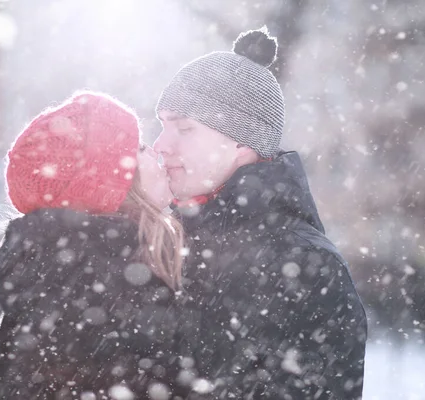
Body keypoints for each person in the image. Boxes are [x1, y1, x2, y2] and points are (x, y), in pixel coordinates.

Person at [153, 28, 368, 399]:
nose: (160, 145)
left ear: (241, 142)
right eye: (162, 126)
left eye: (184, 128)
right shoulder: (164, 238)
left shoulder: (304, 264)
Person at [0, 91, 193, 399]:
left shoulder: (58, 277)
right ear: (114, 186)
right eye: (139, 147)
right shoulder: (113, 286)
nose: (155, 151)